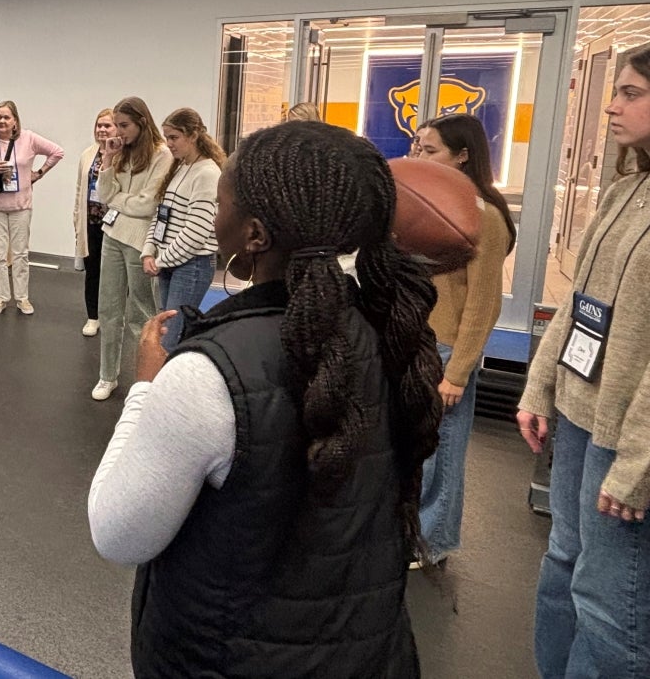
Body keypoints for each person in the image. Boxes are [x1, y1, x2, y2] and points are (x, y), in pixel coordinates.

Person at [89, 120, 442, 677]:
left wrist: (146, 393)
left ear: (254, 235)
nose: (214, 216)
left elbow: (118, 534)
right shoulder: (393, 334)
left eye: (221, 203)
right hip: (371, 654)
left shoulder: (207, 376)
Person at [517, 41, 650, 677]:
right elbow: (579, 303)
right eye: (615, 91)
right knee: (562, 568)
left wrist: (639, 466)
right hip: (578, 416)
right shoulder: (626, 191)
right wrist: (539, 388)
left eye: (631, 93)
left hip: (626, 439)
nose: (611, 107)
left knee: (610, 609)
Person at [413, 113, 516, 567]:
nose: (419, 155)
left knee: (443, 452)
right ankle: (410, 531)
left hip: (447, 349)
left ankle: (432, 542)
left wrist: (457, 372)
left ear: (462, 156)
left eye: (430, 149)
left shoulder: (484, 217)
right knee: (418, 451)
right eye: (417, 146)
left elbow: (482, 304)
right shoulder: (428, 204)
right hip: (418, 344)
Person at [91, 97, 173, 402]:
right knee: (108, 309)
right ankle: (107, 375)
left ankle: (146, 379)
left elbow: (148, 205)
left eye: (125, 126)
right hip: (112, 234)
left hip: (140, 242)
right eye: (117, 125)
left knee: (141, 313)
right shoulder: (119, 151)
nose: (119, 132)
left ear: (142, 122)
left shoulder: (161, 154)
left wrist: (118, 201)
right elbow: (103, 194)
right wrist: (109, 160)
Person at [0, 100, 63, 316]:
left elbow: (57, 152)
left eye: (6, 117)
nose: (1, 120)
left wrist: (38, 173)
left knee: (20, 254)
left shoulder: (28, 138)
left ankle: (22, 298)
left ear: (15, 121)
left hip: (20, 206)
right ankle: (1, 297)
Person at [141, 108, 224, 352]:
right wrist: (149, 251)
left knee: (170, 338)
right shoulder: (180, 167)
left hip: (192, 266)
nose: (169, 144)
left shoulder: (207, 173)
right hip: (169, 263)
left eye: (174, 137)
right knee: (167, 331)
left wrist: (160, 260)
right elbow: (161, 214)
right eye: (167, 137)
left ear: (193, 135)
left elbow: (196, 232)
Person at [73, 108, 115, 337]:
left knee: (115, 275)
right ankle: (93, 317)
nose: (102, 129)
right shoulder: (87, 154)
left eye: (107, 125)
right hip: (91, 222)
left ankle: (114, 316)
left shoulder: (124, 155)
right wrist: (76, 221)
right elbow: (80, 190)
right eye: (99, 125)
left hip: (115, 224)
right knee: (93, 272)